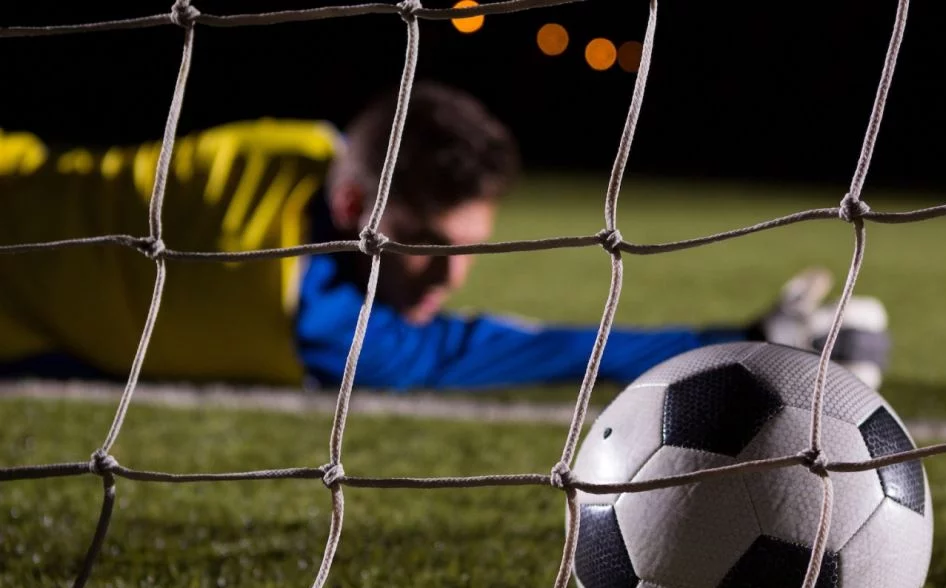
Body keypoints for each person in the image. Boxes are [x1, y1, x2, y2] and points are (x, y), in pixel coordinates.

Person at [0, 81, 890, 392]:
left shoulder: (296, 147)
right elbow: (514, 350)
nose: (452, 277)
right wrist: (737, 342)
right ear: (355, 211)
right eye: (429, 241)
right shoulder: (320, 327)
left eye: (472, 245)